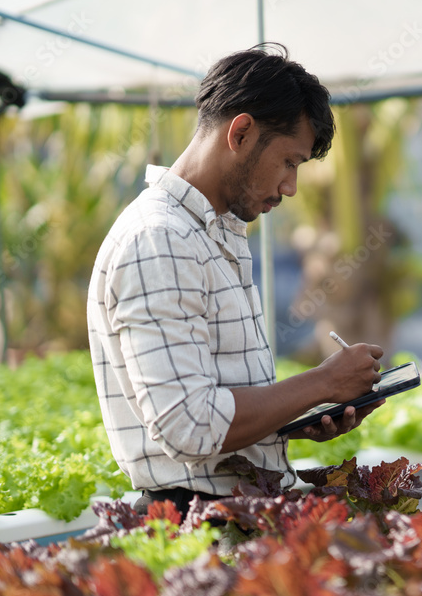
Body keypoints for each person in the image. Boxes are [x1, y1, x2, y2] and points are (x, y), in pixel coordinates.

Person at [87, 45, 385, 518]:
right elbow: (188, 426)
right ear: (241, 132)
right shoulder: (161, 240)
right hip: (195, 522)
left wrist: (294, 418)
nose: (290, 187)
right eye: (289, 162)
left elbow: (214, 404)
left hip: (235, 512)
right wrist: (320, 382)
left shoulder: (211, 231)